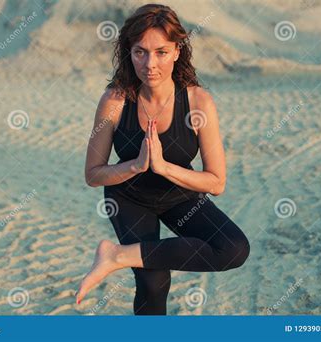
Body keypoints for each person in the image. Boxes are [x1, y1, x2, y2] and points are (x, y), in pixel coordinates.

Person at [80, 3, 250, 315]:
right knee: (153, 281)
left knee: (233, 249)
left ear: (177, 51)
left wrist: (163, 167)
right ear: (129, 53)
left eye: (161, 51)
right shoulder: (115, 102)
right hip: (129, 198)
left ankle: (116, 255)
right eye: (140, 52)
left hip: (179, 197)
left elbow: (217, 182)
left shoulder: (199, 102)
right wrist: (135, 166)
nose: (150, 63)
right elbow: (93, 174)